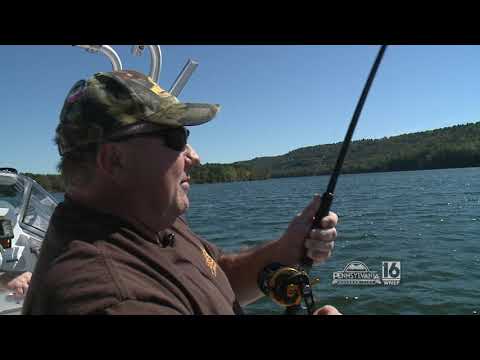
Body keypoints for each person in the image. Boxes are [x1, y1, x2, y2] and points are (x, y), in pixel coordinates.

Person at [23, 70, 340, 315]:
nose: (195, 156)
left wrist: (287, 248)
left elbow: (219, 277)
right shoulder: (111, 297)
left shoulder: (148, 218)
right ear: (114, 159)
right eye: (175, 137)